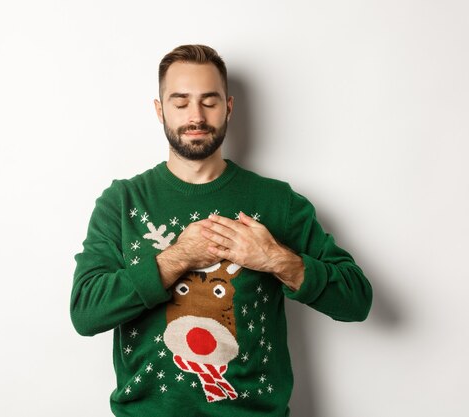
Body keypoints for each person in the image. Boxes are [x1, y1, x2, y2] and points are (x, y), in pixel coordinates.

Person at [70, 44, 373, 417]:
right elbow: (85, 312)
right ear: (159, 110)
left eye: (209, 101)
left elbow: (357, 300)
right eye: (180, 103)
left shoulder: (278, 202)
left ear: (228, 107)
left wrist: (277, 259)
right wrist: (178, 258)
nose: (195, 115)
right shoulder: (122, 202)